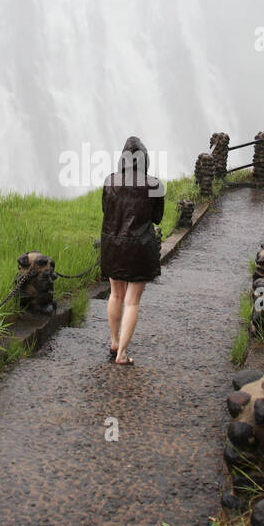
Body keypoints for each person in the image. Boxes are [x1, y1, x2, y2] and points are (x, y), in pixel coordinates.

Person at [100, 136, 164, 365]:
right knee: (132, 301)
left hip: (113, 246)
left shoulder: (110, 181)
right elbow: (157, 218)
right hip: (140, 248)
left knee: (115, 294)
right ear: (144, 160)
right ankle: (122, 354)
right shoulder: (155, 184)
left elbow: (106, 210)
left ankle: (114, 340)